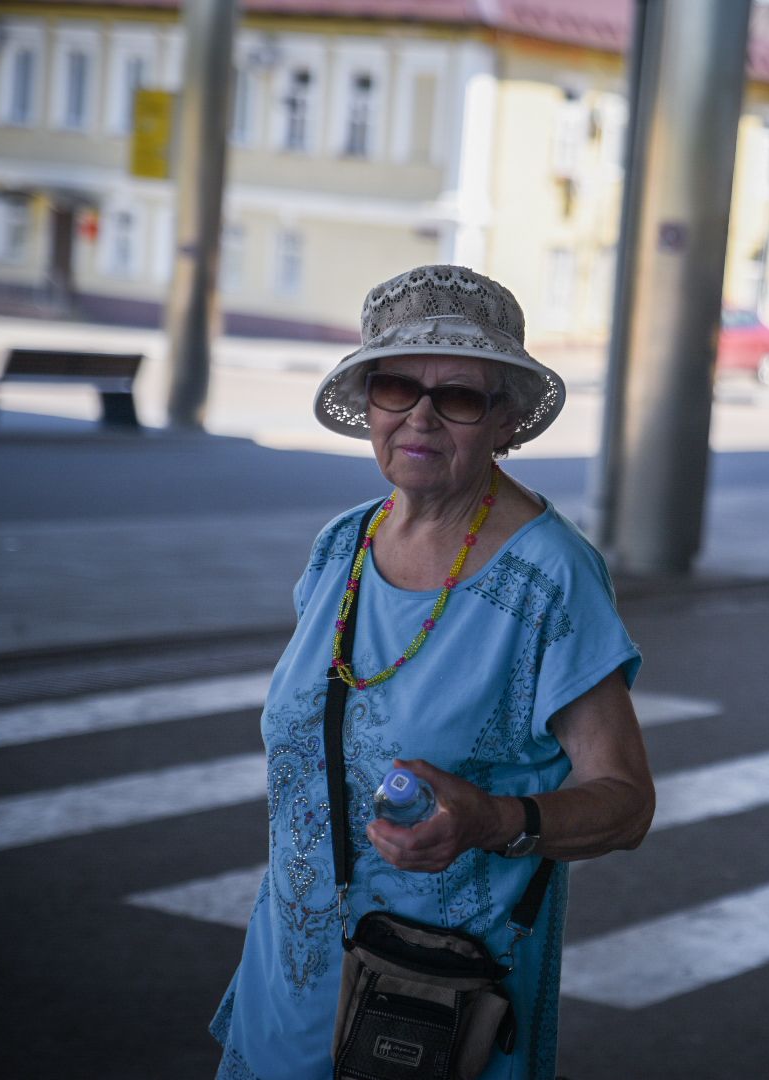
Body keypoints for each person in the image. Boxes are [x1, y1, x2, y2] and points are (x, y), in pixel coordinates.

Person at [211, 265, 656, 1080]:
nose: (419, 415)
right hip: (287, 988)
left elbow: (625, 805)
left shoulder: (550, 578)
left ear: (506, 421)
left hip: (431, 1011)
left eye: (457, 396)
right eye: (396, 385)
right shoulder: (342, 545)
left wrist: (491, 819)